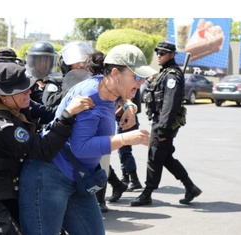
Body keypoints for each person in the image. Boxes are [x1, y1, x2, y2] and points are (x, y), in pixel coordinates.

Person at [18, 44, 153, 235]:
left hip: (78, 178)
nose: (141, 82)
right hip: (49, 176)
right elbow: (80, 147)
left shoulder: (107, 87)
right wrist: (124, 139)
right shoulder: (90, 95)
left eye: (143, 77)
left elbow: (114, 94)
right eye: (137, 77)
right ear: (115, 73)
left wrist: (129, 105)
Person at [0, 62, 94, 235]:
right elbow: (44, 149)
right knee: (5, 232)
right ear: (4, 96)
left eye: (28, 87)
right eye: (22, 90)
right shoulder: (1, 124)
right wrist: (67, 116)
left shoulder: (20, 106)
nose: (29, 92)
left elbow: (51, 113)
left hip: (8, 189)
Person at [130, 41, 202, 207]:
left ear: (171, 55)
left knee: (155, 157)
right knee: (165, 157)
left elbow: (169, 105)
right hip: (160, 121)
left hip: (164, 123)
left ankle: (147, 193)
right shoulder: (165, 73)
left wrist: (162, 130)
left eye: (162, 53)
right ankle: (190, 187)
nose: (158, 56)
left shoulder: (171, 76)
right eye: (158, 53)